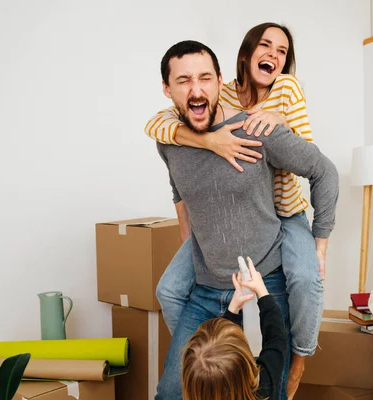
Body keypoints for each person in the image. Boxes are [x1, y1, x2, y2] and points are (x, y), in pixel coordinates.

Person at [145, 22, 324, 396]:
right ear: (244, 55)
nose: (274, 55)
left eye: (282, 51)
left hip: (284, 210)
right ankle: (216, 358)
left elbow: (311, 155)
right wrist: (208, 139)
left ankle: (300, 358)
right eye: (265, 46)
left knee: (307, 279)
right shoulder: (217, 95)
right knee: (168, 290)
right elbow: (159, 127)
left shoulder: (286, 90)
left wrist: (278, 123)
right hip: (227, 237)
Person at [182, 257, 288, 400]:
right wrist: (261, 291)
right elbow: (276, 340)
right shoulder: (263, 389)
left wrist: (233, 308)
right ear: (245, 362)